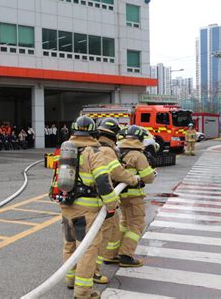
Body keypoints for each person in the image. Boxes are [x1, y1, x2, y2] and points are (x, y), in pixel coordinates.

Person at [50, 116, 118, 299]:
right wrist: (112, 204)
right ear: (93, 132)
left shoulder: (65, 150)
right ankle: (83, 292)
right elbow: (103, 181)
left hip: (66, 206)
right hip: (87, 210)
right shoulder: (93, 152)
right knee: (88, 249)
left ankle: (70, 280)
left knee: (69, 244)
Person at [94, 118, 139, 284]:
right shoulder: (107, 151)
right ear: (113, 135)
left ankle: (109, 256)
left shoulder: (96, 147)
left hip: (98, 199)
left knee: (113, 226)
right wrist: (134, 179)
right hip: (102, 200)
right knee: (103, 233)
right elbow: (117, 172)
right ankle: (93, 271)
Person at [109, 125, 155, 267]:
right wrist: (152, 173)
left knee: (124, 223)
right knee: (136, 224)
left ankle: (112, 254)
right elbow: (148, 178)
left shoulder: (119, 153)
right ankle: (126, 255)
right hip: (134, 197)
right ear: (140, 139)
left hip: (122, 196)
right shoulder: (138, 155)